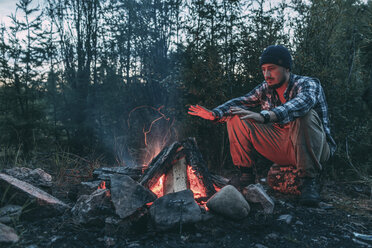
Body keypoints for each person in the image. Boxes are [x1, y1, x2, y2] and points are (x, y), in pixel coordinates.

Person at [188, 45, 336, 206]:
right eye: (264, 69)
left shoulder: (308, 83)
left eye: (271, 69)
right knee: (236, 116)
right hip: (283, 146)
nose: (267, 74)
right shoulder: (265, 89)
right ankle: (245, 176)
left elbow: (301, 104)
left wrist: (264, 116)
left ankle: (309, 181)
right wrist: (215, 114)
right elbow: (240, 101)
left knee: (304, 115)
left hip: (317, 149)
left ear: (287, 68)